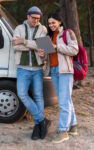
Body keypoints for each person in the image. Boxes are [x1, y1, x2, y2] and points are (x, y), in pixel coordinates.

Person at [12, 6, 51, 140]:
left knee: (38, 96)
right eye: (33, 18)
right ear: (28, 16)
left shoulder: (43, 29)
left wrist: (23, 41)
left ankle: (37, 126)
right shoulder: (18, 28)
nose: (36, 20)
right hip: (23, 68)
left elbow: (45, 47)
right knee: (22, 94)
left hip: (37, 68)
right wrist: (34, 45)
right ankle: (42, 120)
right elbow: (15, 46)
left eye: (38, 18)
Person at [47, 13, 78, 143]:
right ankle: (73, 126)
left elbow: (74, 50)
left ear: (60, 21)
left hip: (64, 70)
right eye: (49, 23)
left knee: (63, 102)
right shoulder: (50, 36)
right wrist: (44, 52)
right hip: (54, 70)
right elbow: (50, 55)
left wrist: (56, 47)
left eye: (53, 22)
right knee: (65, 99)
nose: (51, 25)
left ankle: (63, 131)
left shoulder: (67, 33)